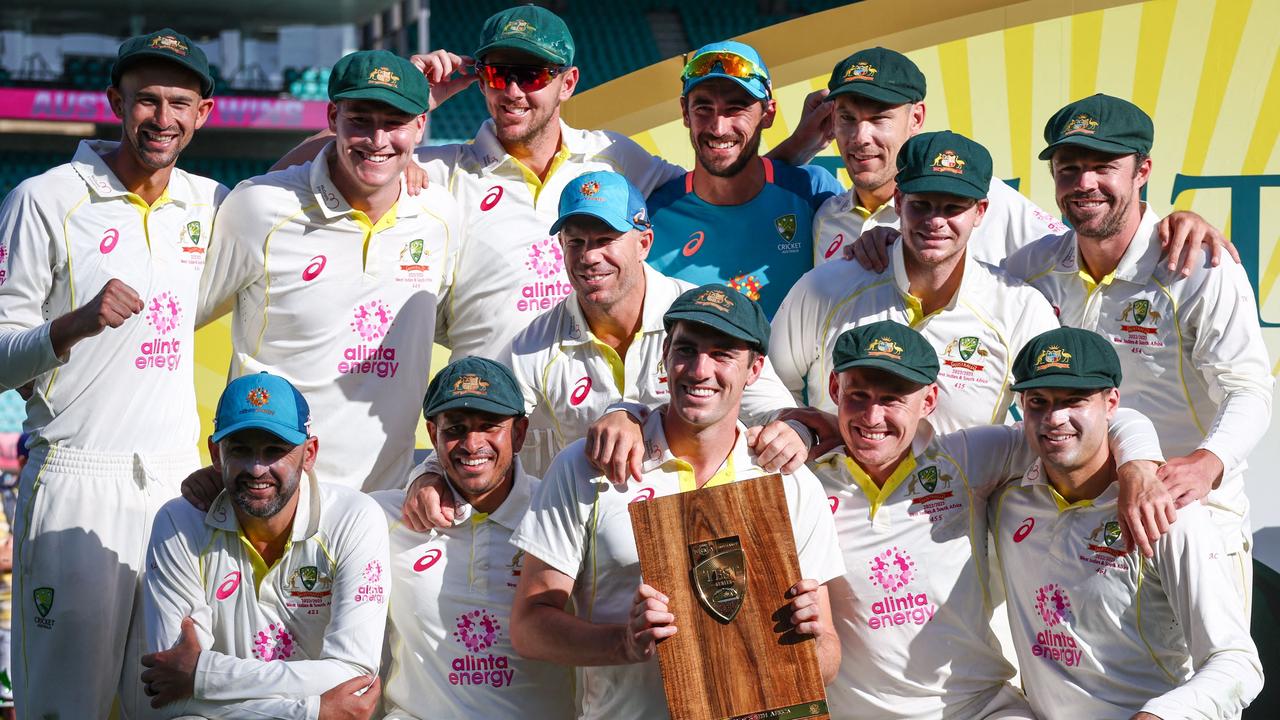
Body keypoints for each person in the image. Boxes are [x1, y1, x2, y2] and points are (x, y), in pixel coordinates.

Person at [0, 28, 224, 718]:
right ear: (115, 101)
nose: (162, 118)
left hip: (173, 485)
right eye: (146, 100)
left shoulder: (212, 204)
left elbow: (294, 185)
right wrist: (77, 322)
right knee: (65, 705)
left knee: (169, 701)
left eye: (179, 103)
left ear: (204, 112)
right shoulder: (44, 198)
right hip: (76, 477)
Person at [508, 284, 846, 719]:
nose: (700, 369)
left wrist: (813, 642)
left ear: (755, 368)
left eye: (723, 354)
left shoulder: (788, 481)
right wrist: (623, 643)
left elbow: (829, 658)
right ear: (665, 355)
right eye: (687, 349)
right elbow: (529, 627)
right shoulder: (587, 466)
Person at [401, 171, 815, 526]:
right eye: (575, 241)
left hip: (703, 529)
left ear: (644, 243)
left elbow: (778, 413)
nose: (589, 257)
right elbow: (484, 422)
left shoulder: (702, 319)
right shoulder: (533, 344)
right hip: (589, 549)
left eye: (605, 239)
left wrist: (796, 432)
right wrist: (430, 474)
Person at [815, 321, 1164, 719]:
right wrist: (796, 426)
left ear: (929, 400)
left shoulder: (968, 457)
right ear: (834, 391)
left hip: (980, 709)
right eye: (857, 396)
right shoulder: (804, 480)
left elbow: (1093, 421)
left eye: (893, 399)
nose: (873, 416)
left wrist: (1137, 464)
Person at [1004, 94, 1274, 608]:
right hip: (1074, 521)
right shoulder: (1029, 270)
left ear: (1142, 170)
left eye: (1104, 166)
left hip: (1185, 515)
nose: (1084, 184)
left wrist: (1202, 464)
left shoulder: (1199, 266)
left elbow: (1250, 388)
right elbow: (951, 225)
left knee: (1209, 680)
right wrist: (877, 242)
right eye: (1069, 169)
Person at [197, 49, 461, 492]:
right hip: (271, 494)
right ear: (333, 116)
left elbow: (459, 326)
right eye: (360, 119)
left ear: (420, 125)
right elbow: (183, 316)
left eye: (395, 121)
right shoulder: (260, 207)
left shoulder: (440, 215)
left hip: (385, 503)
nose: (377, 139)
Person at [990, 327, 1262, 719]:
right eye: (1038, 401)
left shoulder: (1170, 513)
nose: (1054, 418)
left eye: (1074, 400)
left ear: (1111, 402)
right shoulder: (1004, 497)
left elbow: (1237, 663)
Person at [817, 47, 1232, 275]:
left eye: (879, 119)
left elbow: (1080, 245)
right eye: (848, 119)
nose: (860, 137)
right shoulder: (825, 213)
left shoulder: (985, 198)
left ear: (917, 118)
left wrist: (1170, 223)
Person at [771, 131, 1058, 431]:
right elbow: (767, 380)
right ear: (898, 201)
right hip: (838, 479)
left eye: (953, 208)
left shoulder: (1020, 308)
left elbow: (1051, 417)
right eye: (922, 204)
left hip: (967, 481)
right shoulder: (826, 287)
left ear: (980, 212)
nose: (935, 221)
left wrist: (991, 461)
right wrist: (802, 431)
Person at [142, 372, 389, 719]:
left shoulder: (355, 519)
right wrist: (311, 712)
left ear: (309, 453)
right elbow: (168, 690)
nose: (257, 468)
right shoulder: (177, 524)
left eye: (274, 450)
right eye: (240, 449)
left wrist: (202, 675)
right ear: (216, 452)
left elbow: (354, 678)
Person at [371, 357, 573, 719]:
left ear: (520, 432)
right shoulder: (382, 518)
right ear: (433, 435)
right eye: (456, 429)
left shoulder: (558, 515)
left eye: (489, 426)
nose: (471, 443)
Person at [646, 41, 845, 316]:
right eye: (704, 108)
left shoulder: (813, 191)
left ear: (768, 113)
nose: (718, 127)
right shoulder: (651, 218)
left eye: (736, 108)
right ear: (684, 112)